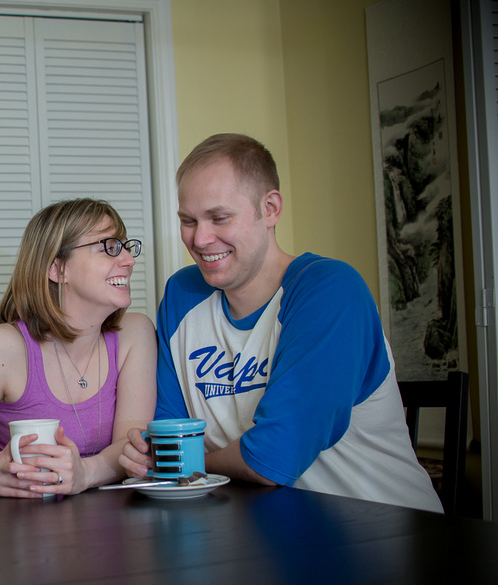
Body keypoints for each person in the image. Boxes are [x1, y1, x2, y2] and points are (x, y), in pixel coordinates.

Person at [119, 133, 443, 512]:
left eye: (219, 218)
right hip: (261, 527)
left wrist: (191, 466)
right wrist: (156, 457)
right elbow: (168, 437)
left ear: (270, 209)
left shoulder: (330, 291)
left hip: (383, 527)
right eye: (188, 221)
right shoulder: (183, 294)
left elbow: (272, 457)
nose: (200, 239)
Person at [0, 198, 157, 497]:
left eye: (126, 246)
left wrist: (86, 473)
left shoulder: (135, 333)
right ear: (57, 268)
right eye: (109, 247)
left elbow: (132, 448)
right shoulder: (3, 348)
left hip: (105, 521)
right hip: (11, 519)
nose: (129, 260)